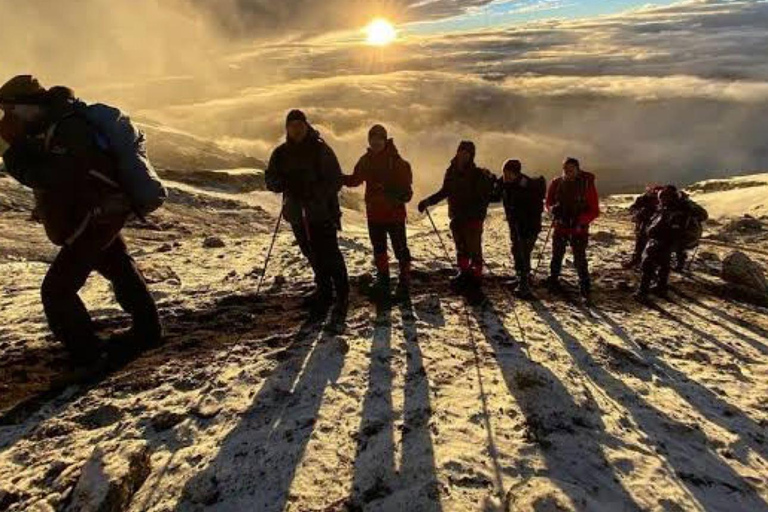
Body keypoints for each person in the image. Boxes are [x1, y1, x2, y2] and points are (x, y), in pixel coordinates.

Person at [0, 75, 163, 364]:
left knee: (57, 290)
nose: (7, 116)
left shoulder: (68, 128)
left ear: (29, 105)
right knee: (117, 264)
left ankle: (88, 356)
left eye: (10, 109)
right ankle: (148, 330)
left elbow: (54, 177)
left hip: (94, 216)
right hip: (99, 213)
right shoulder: (54, 125)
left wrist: (15, 151)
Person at [265, 109, 349, 325]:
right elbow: (270, 179)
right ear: (287, 129)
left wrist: (313, 191)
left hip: (321, 212)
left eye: (299, 125)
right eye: (292, 126)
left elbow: (335, 179)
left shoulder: (320, 150)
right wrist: (283, 183)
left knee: (329, 252)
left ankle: (342, 293)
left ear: (306, 126)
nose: (296, 129)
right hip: (297, 213)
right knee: (310, 252)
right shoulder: (281, 153)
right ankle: (324, 290)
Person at [418, 141, 497, 291]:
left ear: (471, 155)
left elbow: (481, 199)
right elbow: (444, 191)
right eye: (462, 151)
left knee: (474, 250)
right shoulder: (451, 171)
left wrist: (472, 214)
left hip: (472, 219)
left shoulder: (477, 174)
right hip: (457, 217)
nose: (463, 155)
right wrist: (428, 201)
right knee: (461, 248)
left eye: (467, 153)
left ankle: (476, 277)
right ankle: (464, 273)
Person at [344, 124, 413, 295]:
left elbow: (407, 192)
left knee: (399, 248)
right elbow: (354, 180)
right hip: (376, 214)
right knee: (379, 248)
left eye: (379, 139)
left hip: (393, 214)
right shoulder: (366, 161)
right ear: (369, 140)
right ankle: (385, 279)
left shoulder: (396, 162)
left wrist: (390, 194)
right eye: (372, 139)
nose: (375, 142)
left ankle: (403, 280)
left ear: (384, 140)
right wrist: (334, 177)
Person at [634, 185, 707, 300]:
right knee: (664, 264)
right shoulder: (681, 206)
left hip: (663, 238)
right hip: (672, 240)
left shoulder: (674, 208)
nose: (661, 200)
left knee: (648, 264)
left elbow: (661, 223)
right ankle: (661, 288)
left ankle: (643, 292)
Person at [544, 157, 600, 303]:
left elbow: (594, 210)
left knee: (579, 258)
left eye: (571, 169)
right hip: (561, 226)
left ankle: (584, 288)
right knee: (557, 255)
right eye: (566, 169)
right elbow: (548, 202)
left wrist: (581, 221)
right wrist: (552, 210)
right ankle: (553, 281)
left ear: (577, 169)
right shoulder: (556, 183)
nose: (568, 172)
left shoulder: (586, 184)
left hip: (578, 229)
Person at [492, 159, 546, 299]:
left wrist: (523, 218)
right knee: (516, 250)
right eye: (504, 172)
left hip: (529, 225)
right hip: (514, 224)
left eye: (509, 173)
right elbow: (494, 197)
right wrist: (491, 182)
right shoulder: (503, 183)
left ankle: (525, 284)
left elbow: (536, 207)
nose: (506, 176)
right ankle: (520, 278)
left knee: (524, 253)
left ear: (516, 173)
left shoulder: (527, 185)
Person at [624, 184, 663, 269]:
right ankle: (638, 260)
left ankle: (646, 263)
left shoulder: (665, 201)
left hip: (656, 228)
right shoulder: (644, 198)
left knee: (650, 246)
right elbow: (633, 208)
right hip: (644, 225)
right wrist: (639, 213)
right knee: (641, 243)